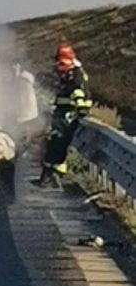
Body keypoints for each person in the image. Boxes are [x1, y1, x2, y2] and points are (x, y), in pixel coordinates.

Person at [36, 42, 93, 189]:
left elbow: (77, 92)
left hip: (69, 113)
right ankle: (49, 176)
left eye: (60, 61)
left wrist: (80, 108)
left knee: (58, 142)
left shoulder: (75, 74)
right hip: (63, 112)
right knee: (55, 142)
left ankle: (52, 177)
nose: (58, 65)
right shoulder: (69, 73)